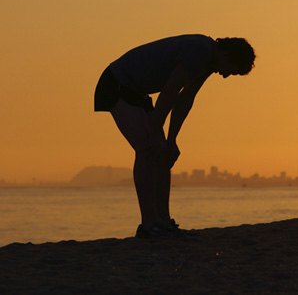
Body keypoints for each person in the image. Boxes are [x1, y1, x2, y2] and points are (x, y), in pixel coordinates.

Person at [94, 34, 255, 238]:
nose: (225, 76)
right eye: (231, 71)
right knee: (147, 149)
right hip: (117, 83)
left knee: (163, 153)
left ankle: (162, 221)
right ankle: (148, 225)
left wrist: (172, 140)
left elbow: (185, 99)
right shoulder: (201, 51)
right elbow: (170, 92)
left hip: (138, 91)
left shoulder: (208, 63)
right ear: (228, 55)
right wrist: (154, 132)